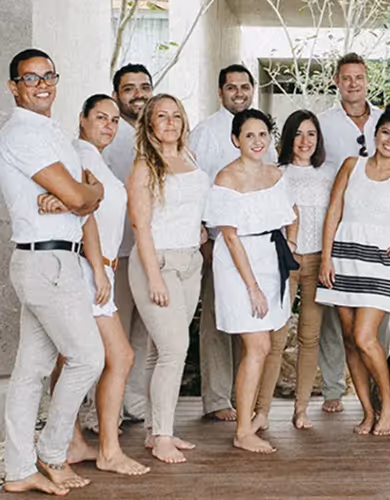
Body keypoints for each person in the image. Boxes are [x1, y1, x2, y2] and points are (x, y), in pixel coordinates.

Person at [1, 48, 105, 495]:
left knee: (31, 370)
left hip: (52, 258)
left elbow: (86, 192)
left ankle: (19, 469)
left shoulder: (51, 131)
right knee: (88, 357)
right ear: (13, 87)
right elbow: (83, 198)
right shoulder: (23, 133)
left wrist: (82, 193)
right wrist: (81, 195)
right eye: (30, 78)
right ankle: (51, 453)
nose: (42, 84)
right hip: (47, 260)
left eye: (48, 76)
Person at [43, 95, 150, 476]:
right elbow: (83, 213)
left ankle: (73, 442)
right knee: (120, 357)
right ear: (82, 119)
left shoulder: (92, 158)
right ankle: (108, 450)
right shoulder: (80, 156)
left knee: (69, 358)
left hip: (94, 267)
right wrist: (99, 268)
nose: (108, 124)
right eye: (100, 117)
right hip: (88, 269)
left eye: (114, 119)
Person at [317, 103, 390, 436]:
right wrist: (326, 258)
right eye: (385, 132)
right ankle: (368, 412)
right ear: (376, 132)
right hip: (343, 258)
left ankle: (385, 408)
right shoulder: (351, 166)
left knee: (366, 337)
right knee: (350, 341)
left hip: (379, 264)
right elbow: (334, 211)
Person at [316, 53, 390, 414]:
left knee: (371, 332)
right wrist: (326, 253)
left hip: (378, 245)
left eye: (359, 77)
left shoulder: (387, 121)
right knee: (340, 331)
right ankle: (333, 391)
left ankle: (380, 396)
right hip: (342, 239)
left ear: (367, 80)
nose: (353, 83)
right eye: (346, 77)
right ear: (336, 81)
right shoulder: (324, 123)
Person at [204, 108, 298, 453]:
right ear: (235, 140)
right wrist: (252, 286)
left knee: (266, 344)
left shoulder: (275, 174)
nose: (257, 141)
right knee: (257, 346)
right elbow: (229, 237)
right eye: (249, 136)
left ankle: (254, 416)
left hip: (270, 258)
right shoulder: (226, 178)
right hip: (238, 264)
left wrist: (291, 244)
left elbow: (292, 213)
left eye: (262, 135)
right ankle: (243, 431)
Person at [190, 64, 277, 423]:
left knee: (254, 322)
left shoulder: (261, 131)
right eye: (231, 87)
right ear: (219, 92)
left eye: (244, 86)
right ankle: (217, 398)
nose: (238, 92)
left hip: (259, 246)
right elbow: (195, 189)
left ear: (253, 89)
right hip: (218, 242)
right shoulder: (203, 133)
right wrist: (204, 242)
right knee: (216, 320)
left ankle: (249, 396)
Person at [127, 93, 210, 464]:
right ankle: (162, 435)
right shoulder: (145, 166)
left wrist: (201, 234)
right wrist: (154, 277)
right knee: (176, 349)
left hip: (190, 262)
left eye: (176, 115)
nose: (170, 122)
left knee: (160, 352)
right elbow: (140, 226)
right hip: (156, 263)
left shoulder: (189, 158)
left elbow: (193, 209)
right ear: (149, 124)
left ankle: (153, 429)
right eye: (162, 116)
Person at [253, 109, 332, 431]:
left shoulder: (329, 174)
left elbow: (335, 219)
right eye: (298, 134)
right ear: (288, 138)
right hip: (283, 263)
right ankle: (262, 411)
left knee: (309, 338)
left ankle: (301, 410)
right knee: (275, 338)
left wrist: (328, 257)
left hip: (317, 262)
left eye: (311, 134)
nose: (305, 141)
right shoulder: (275, 173)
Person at [103, 63, 154, 423]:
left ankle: (134, 404)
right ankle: (104, 411)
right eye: (129, 88)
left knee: (145, 335)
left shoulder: (158, 132)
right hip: (117, 252)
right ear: (117, 94)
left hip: (151, 252)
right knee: (113, 339)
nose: (138, 94)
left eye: (144, 87)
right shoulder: (109, 134)